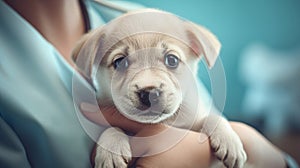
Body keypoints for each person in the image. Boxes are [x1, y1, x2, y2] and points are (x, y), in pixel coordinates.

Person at [0, 0, 297, 168]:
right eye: (120, 62)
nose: (148, 84)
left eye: (170, 60)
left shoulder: (132, 16)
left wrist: (257, 149)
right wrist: (112, 138)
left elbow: (204, 120)